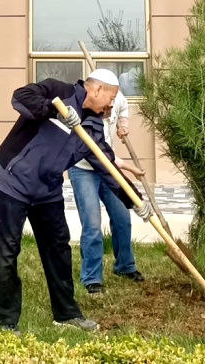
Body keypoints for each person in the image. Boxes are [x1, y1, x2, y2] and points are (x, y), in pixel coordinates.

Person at [0, 69, 153, 334]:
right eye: (111, 98)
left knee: (58, 249)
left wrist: (135, 200)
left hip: (47, 190)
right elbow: (20, 97)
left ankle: (65, 314)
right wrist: (54, 111)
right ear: (96, 90)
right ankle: (5, 321)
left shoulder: (94, 125)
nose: (112, 105)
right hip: (13, 179)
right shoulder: (57, 91)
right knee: (8, 251)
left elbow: (106, 164)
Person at [69, 89, 146, 294]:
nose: (107, 110)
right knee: (92, 224)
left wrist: (123, 125)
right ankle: (91, 277)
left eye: (111, 104)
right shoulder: (84, 108)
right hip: (84, 168)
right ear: (96, 94)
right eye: (107, 106)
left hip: (107, 166)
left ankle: (124, 265)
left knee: (122, 217)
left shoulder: (118, 98)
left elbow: (124, 108)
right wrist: (130, 169)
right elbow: (101, 154)